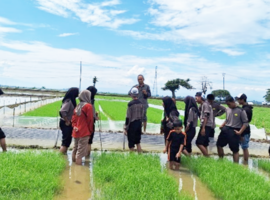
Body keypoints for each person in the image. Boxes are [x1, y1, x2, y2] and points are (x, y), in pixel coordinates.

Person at [217, 96, 249, 163]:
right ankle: (220, 160)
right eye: (227, 104)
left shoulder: (241, 111)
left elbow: (245, 123)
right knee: (219, 144)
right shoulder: (228, 109)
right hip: (226, 129)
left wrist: (240, 132)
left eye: (229, 104)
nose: (228, 105)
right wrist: (222, 125)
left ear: (233, 102)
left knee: (235, 150)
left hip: (234, 130)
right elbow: (227, 119)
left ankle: (235, 165)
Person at [71, 90, 94, 165]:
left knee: (75, 149)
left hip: (76, 131)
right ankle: (78, 170)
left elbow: (73, 119)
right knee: (80, 153)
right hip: (84, 131)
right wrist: (90, 131)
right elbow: (90, 120)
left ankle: (73, 167)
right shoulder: (88, 106)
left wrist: (74, 126)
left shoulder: (78, 106)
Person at [59, 87, 79, 154]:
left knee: (67, 141)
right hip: (66, 123)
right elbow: (62, 111)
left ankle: (64, 155)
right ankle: (61, 156)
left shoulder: (71, 100)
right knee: (65, 141)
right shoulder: (69, 101)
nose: (78, 94)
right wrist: (67, 120)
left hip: (68, 123)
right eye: (77, 92)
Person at [124, 87, 144, 153]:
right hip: (139, 124)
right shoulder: (141, 103)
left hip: (132, 125)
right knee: (138, 142)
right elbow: (142, 115)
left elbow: (128, 117)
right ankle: (140, 156)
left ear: (132, 95)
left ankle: (131, 158)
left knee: (131, 143)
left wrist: (126, 127)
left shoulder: (130, 104)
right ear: (137, 94)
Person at [235, 93, 253, 162]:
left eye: (239, 99)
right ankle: (245, 162)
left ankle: (245, 162)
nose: (238, 101)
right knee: (244, 147)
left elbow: (245, 122)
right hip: (244, 130)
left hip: (244, 131)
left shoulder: (245, 110)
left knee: (244, 147)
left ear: (243, 100)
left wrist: (241, 133)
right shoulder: (246, 108)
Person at [195, 92, 214, 157]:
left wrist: (203, 128)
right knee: (204, 143)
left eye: (197, 98)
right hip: (207, 125)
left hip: (206, 125)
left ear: (201, 97)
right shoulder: (203, 105)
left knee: (198, 142)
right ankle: (206, 159)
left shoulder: (205, 105)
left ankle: (207, 157)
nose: (196, 99)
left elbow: (206, 116)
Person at [86, 86, 99, 156]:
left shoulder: (83, 101)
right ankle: (87, 158)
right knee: (89, 142)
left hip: (83, 124)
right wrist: (95, 116)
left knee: (82, 142)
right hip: (90, 125)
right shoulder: (91, 103)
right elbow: (92, 115)